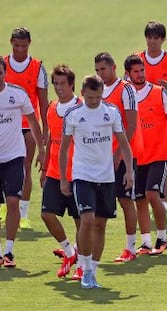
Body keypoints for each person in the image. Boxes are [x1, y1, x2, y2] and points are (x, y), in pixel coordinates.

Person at [59, 74, 133, 289]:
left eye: (98, 97)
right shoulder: (73, 115)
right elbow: (63, 150)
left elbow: (124, 144)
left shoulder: (111, 112)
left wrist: (129, 172)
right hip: (83, 176)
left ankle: (92, 270)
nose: (94, 102)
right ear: (82, 94)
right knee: (88, 220)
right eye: (90, 98)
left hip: (107, 177)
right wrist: (64, 178)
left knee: (100, 225)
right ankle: (83, 266)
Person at [124, 54, 167, 255]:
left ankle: (161, 238)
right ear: (128, 74)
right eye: (136, 71)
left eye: (142, 70)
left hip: (159, 154)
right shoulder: (126, 96)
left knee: (153, 194)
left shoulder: (160, 93)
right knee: (140, 200)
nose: (140, 74)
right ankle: (145, 242)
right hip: (137, 156)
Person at [0, 56, 45, 267]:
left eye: (0, 72)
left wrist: (42, 149)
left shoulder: (17, 94)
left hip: (13, 158)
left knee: (12, 202)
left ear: (4, 73)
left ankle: (8, 252)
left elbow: (33, 120)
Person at [136, 20, 167, 216]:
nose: (152, 41)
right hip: (141, 121)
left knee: (163, 160)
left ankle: (163, 201)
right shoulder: (137, 60)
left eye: (156, 38)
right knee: (143, 160)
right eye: (149, 37)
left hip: (166, 121)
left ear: (163, 39)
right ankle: (146, 198)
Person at [94, 52, 138, 262]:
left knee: (125, 200)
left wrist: (120, 153)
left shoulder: (125, 89)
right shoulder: (97, 91)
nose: (100, 73)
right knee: (96, 201)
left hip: (121, 156)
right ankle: (80, 247)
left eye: (103, 69)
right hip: (102, 155)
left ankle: (131, 248)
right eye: (97, 70)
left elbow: (131, 124)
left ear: (113, 68)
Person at [40, 64, 83, 279]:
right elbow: (51, 142)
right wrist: (45, 167)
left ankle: (82, 265)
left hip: (78, 174)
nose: (58, 88)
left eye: (62, 84)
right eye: (55, 84)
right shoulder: (51, 108)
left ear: (72, 84)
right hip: (55, 173)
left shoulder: (83, 107)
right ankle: (69, 251)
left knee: (80, 221)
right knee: (46, 214)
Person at [4, 27, 49, 229]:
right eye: (16, 46)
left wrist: (46, 129)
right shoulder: (3, 64)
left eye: (23, 46)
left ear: (29, 44)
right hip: (5, 124)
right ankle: (4, 210)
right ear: (11, 43)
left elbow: (43, 101)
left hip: (27, 125)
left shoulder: (37, 67)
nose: (20, 50)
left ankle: (23, 214)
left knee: (25, 167)